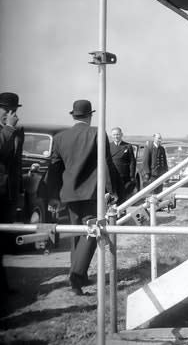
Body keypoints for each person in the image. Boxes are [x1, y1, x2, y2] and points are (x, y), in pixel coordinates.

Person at [42, 99, 120, 295]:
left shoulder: (60, 138)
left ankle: (79, 276)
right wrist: (113, 190)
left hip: (68, 194)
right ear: (90, 115)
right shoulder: (97, 133)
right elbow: (106, 164)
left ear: (73, 115)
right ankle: (76, 275)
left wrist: (53, 196)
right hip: (92, 193)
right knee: (92, 232)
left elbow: (54, 170)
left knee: (78, 233)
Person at [0, 92, 25, 295]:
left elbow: (16, 164)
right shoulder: (9, 129)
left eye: (13, 111)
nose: (9, 114)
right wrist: (8, 128)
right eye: (5, 110)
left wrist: (17, 191)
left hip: (7, 194)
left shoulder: (17, 131)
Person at [110, 127, 137, 199]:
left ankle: (123, 210)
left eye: (118, 134)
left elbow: (132, 162)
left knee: (123, 196)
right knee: (113, 197)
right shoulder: (108, 146)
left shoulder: (128, 146)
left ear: (121, 135)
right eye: (114, 135)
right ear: (112, 135)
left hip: (124, 176)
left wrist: (132, 175)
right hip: (112, 176)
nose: (116, 136)